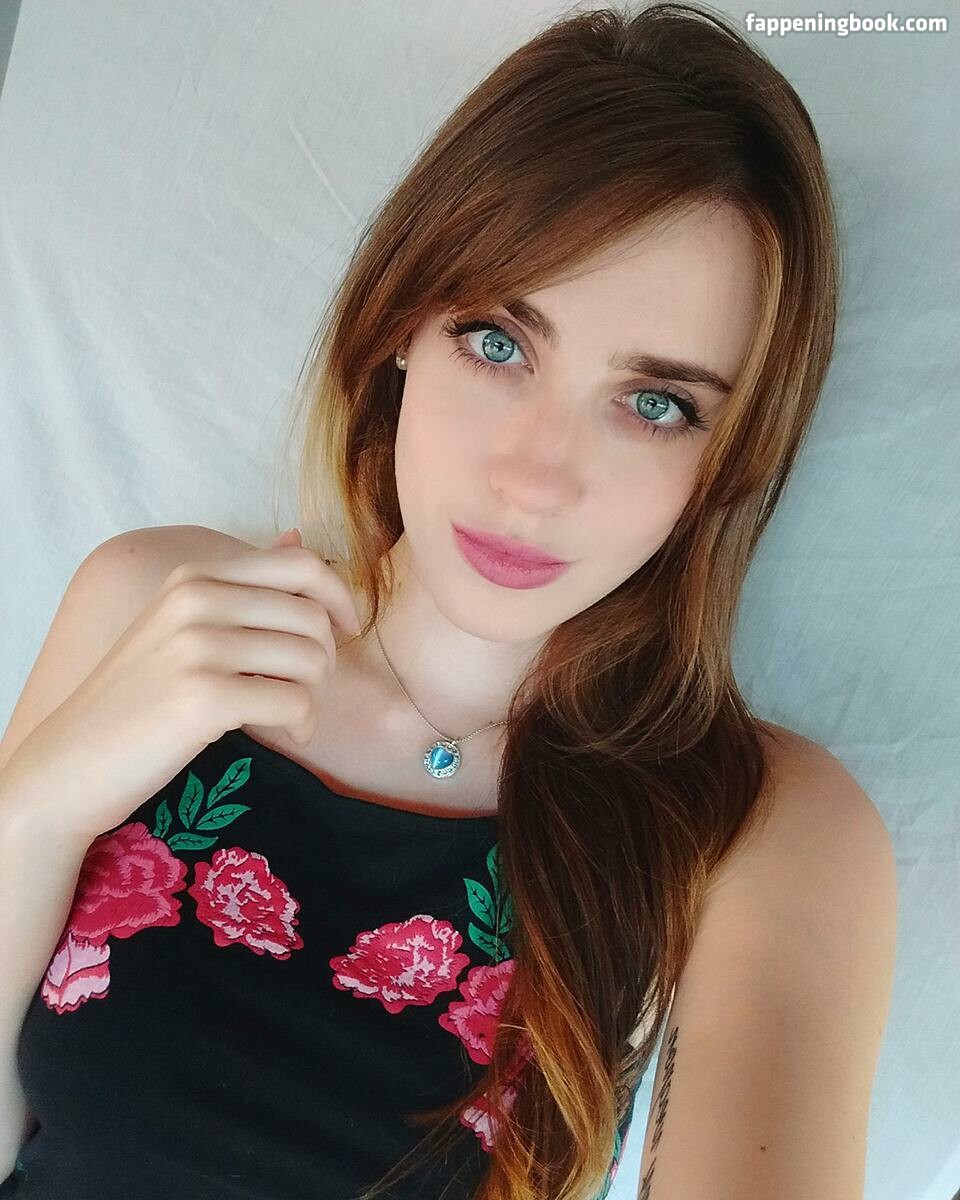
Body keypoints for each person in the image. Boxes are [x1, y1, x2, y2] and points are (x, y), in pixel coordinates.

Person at [0, 3, 897, 1198]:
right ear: (401, 329)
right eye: (498, 342)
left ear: (727, 460)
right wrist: (34, 814)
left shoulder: (756, 827)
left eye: (656, 404)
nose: (535, 479)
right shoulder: (158, 608)